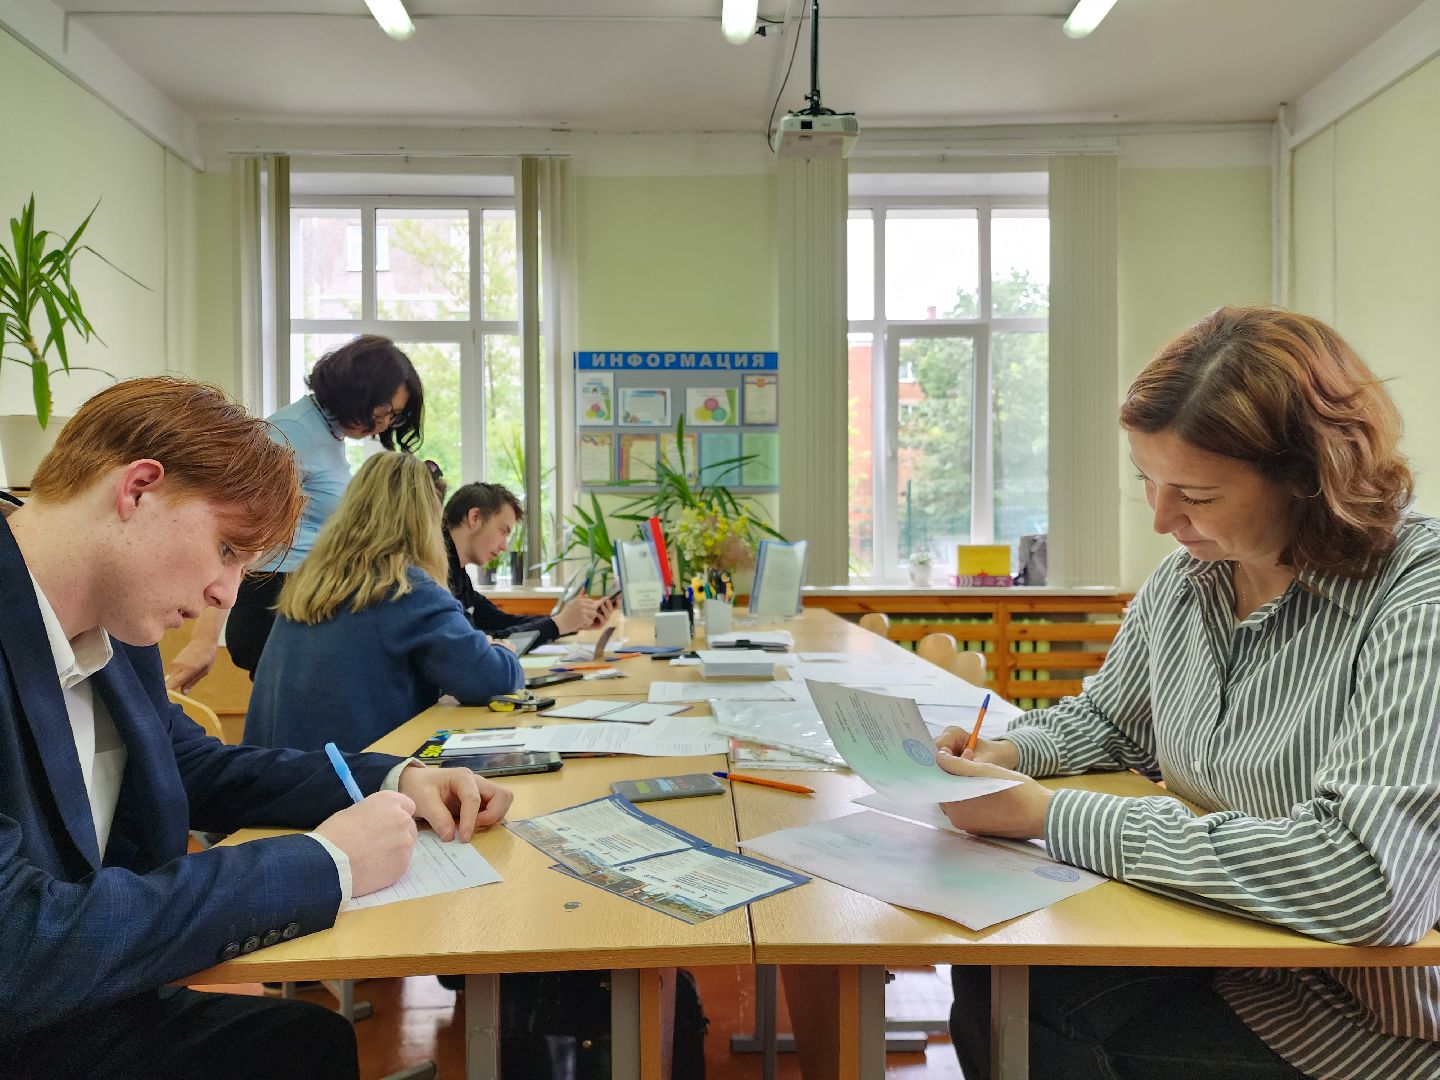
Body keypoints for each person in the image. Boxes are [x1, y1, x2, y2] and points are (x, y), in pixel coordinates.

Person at [933, 306, 1440, 1080]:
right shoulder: (1189, 581)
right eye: (1148, 481)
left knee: (1035, 1021)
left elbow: (1365, 882)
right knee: (996, 972)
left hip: (1360, 1019)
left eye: (1196, 495)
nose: (1163, 519)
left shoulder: (1415, 599)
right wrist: (1011, 751)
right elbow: (1110, 722)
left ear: (1309, 479)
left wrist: (1050, 815)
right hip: (1225, 944)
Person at [0, 376, 512, 1080]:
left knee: (306, 1043)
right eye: (228, 550)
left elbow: (199, 769)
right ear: (139, 489)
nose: (226, 593)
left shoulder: (119, 629)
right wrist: (323, 864)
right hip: (29, 1014)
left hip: (79, 999)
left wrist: (398, 775)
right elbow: (19, 940)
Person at [166, 335, 425, 689]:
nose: (384, 424)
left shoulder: (326, 435)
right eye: (384, 411)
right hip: (274, 600)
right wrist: (203, 641)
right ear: (357, 391)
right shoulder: (291, 433)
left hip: (303, 596)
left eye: (394, 416)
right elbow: (234, 530)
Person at [244, 455, 525, 754]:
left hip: (278, 781)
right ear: (426, 518)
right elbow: (492, 680)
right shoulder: (405, 587)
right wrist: (500, 651)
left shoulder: (308, 583)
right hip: (353, 786)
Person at [443, 482, 614, 644]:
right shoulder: (436, 576)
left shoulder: (458, 573)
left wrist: (569, 623)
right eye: (502, 531)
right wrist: (558, 624)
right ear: (475, 517)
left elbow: (501, 622)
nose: (504, 546)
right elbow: (485, 643)